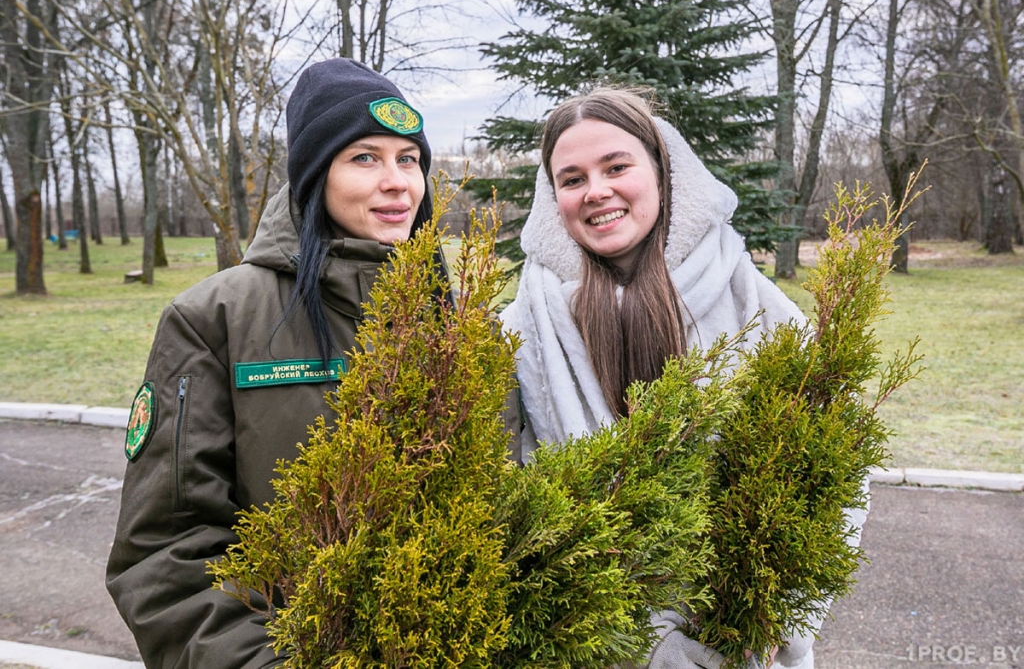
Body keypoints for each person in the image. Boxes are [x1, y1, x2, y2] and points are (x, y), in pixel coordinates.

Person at [500, 87, 867, 669]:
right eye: (572, 179)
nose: (597, 191)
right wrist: (645, 648)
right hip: (588, 648)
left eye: (617, 167)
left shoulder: (759, 308)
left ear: (663, 173)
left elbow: (837, 479)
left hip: (745, 644)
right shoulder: (520, 334)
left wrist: (786, 614)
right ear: (553, 198)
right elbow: (507, 512)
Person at [106, 58, 455, 668]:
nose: (399, 181)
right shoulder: (214, 318)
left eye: (409, 158)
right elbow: (168, 551)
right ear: (315, 175)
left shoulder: (456, 322)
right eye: (365, 158)